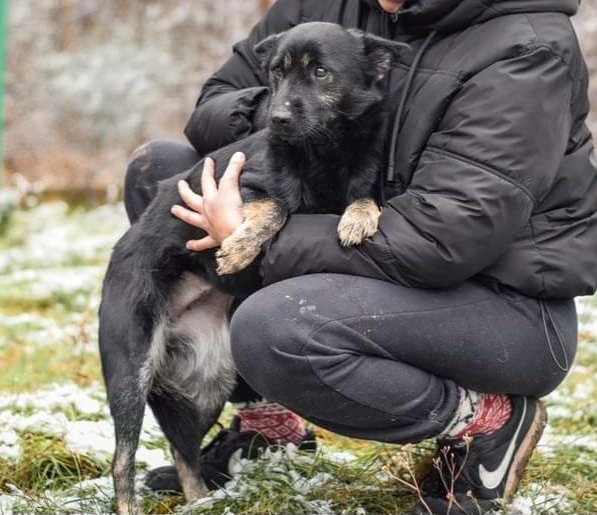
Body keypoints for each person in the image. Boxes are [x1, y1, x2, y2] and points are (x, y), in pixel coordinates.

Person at [122, 0, 596, 513]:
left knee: (276, 328)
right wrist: (294, 105)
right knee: (165, 177)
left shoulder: (525, 48)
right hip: (364, 241)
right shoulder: (321, 7)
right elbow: (215, 103)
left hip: (501, 304)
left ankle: (489, 419)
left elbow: (441, 240)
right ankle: (268, 425)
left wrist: (256, 235)